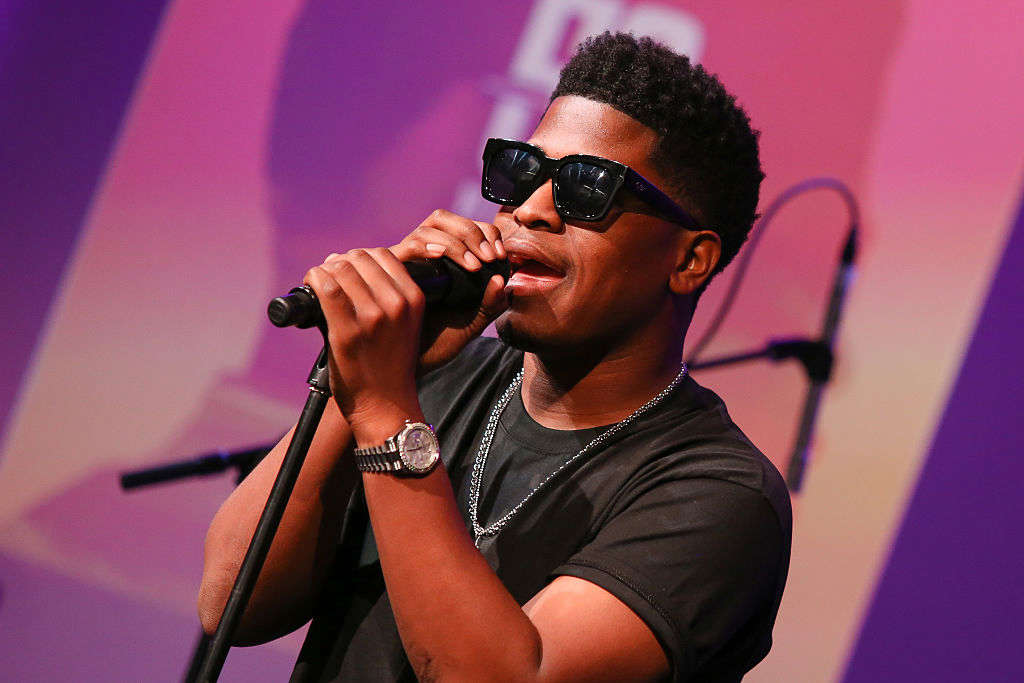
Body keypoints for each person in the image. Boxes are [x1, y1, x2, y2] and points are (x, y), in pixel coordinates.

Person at [199, 32, 791, 682]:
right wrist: (366, 381)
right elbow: (232, 602)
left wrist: (386, 413)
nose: (530, 210)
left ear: (689, 259)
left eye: (586, 187)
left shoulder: (719, 494)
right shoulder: (427, 380)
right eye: (521, 171)